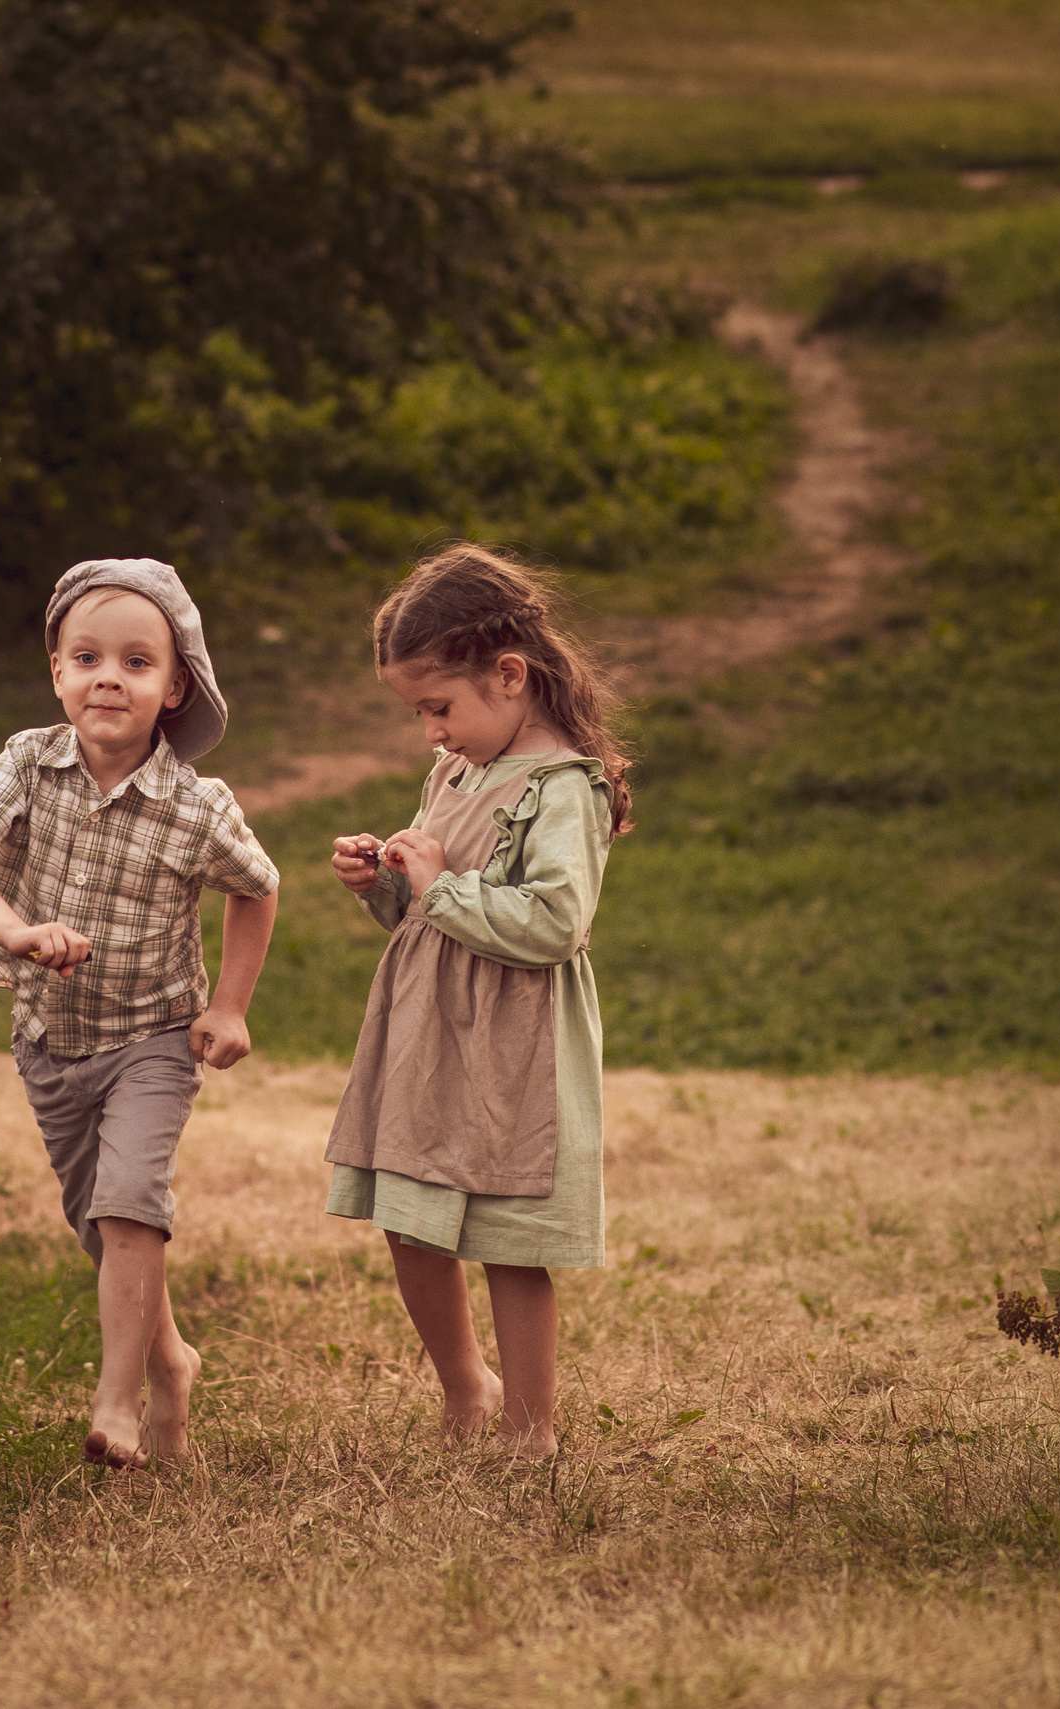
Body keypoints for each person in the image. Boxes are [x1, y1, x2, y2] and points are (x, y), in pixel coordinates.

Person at [0, 558, 279, 1469]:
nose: (108, 677)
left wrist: (230, 1006)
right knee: (97, 1219)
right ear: (57, 671)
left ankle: (115, 1403)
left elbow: (259, 887)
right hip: (50, 1041)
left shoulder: (196, 807)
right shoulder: (28, 764)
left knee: (131, 1207)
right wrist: (15, 929)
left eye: (136, 661)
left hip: (154, 1040)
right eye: (86, 657)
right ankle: (171, 1362)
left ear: (174, 689)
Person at [325, 544, 631, 1456]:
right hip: (429, 1034)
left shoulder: (564, 788)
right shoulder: (460, 769)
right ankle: (466, 1387)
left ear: (508, 675)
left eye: (438, 706)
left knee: (507, 1234)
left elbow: (554, 923)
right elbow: (429, 903)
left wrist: (439, 888)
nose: (431, 730)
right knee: (408, 1212)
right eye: (419, 711)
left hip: (513, 1045)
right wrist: (384, 880)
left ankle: (529, 1428)